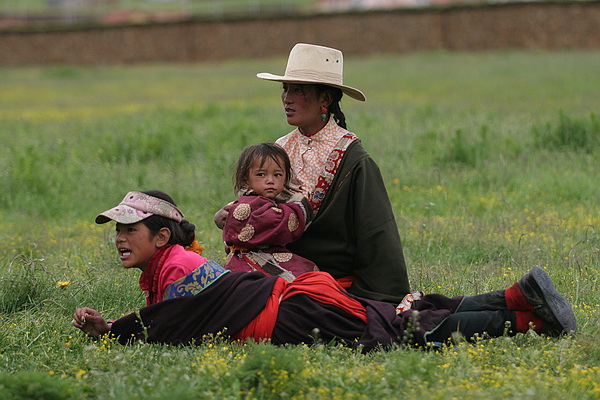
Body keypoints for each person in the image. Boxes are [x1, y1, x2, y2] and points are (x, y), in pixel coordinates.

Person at [215, 43, 410, 304]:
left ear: (325, 99)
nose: (287, 98)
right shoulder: (280, 148)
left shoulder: (353, 157)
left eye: (299, 90)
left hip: (328, 278)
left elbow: (376, 232)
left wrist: (380, 297)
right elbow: (258, 202)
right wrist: (229, 213)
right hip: (273, 268)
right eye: (285, 89)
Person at [73, 265, 576, 352]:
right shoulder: (167, 270)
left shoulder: (179, 267)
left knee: (397, 330)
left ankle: (522, 318)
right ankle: (513, 300)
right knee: (394, 319)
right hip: (301, 293)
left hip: (297, 304)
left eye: (128, 229)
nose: (118, 238)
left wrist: (114, 330)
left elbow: (175, 317)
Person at [222, 142, 318, 281]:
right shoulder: (248, 204)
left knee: (307, 269)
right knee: (302, 276)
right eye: (261, 174)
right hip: (250, 259)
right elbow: (280, 222)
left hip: (270, 254)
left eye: (278, 175)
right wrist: (299, 204)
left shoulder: (269, 200)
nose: (270, 180)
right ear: (245, 181)